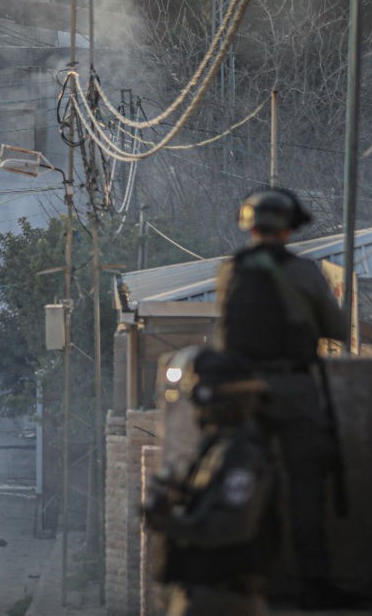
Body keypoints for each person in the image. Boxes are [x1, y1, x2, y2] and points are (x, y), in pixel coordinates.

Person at [214, 187, 348, 606]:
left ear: (249, 226)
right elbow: (338, 330)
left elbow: (225, 333)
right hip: (294, 389)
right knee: (306, 484)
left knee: (246, 482)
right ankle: (312, 583)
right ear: (289, 228)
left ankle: (249, 576)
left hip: (241, 393)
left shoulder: (229, 270)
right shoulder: (306, 272)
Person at [144, 348, 280, 616]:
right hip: (202, 592)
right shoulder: (218, 447)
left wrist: (173, 524)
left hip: (223, 596)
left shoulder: (241, 454)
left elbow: (232, 526)